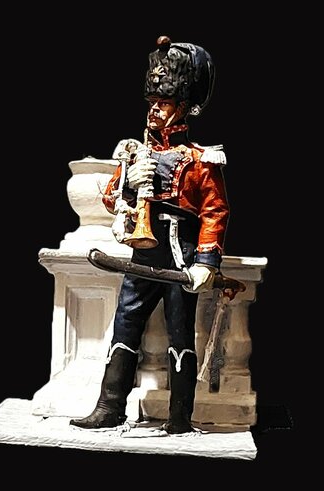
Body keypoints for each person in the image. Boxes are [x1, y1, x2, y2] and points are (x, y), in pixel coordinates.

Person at [70, 36, 229, 434]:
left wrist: (206, 262)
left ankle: (180, 417)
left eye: (164, 102)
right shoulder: (136, 152)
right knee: (125, 325)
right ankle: (109, 408)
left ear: (182, 107)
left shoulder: (201, 159)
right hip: (143, 253)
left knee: (180, 334)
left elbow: (214, 211)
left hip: (180, 253)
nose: (154, 109)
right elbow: (111, 200)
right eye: (152, 101)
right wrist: (127, 182)